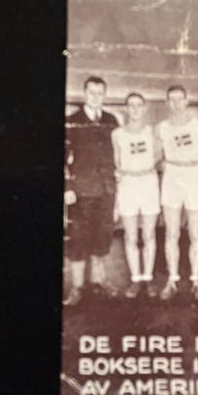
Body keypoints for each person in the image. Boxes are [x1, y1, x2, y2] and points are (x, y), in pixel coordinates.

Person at [63, 76, 119, 305]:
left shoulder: (111, 120)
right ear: (84, 93)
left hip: (106, 191)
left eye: (100, 93)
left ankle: (99, 281)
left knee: (102, 239)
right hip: (80, 192)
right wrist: (67, 187)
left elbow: (118, 154)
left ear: (105, 95)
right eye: (92, 92)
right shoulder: (72, 121)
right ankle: (77, 287)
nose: (96, 97)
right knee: (78, 240)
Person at [155, 85, 198, 302]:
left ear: (186, 101)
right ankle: (172, 280)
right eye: (172, 100)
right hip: (172, 178)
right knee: (172, 233)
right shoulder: (161, 127)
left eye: (180, 99)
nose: (176, 104)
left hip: (193, 177)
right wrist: (160, 163)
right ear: (167, 103)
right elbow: (155, 157)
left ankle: (196, 281)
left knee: (196, 232)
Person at [111, 93, 160, 298]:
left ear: (145, 108)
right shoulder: (117, 134)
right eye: (131, 105)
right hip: (128, 185)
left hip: (148, 183)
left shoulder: (152, 131)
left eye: (139, 105)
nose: (135, 109)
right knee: (130, 236)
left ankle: (148, 278)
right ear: (126, 108)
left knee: (149, 234)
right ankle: (135, 279)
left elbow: (158, 156)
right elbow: (117, 162)